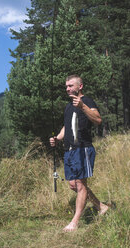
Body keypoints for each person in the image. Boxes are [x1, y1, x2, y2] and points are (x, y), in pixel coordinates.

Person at [50, 74, 109, 232]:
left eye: (71, 86)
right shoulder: (68, 106)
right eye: (66, 86)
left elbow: (98, 120)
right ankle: (101, 207)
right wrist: (58, 138)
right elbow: (67, 126)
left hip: (83, 148)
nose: (67, 89)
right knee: (73, 185)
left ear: (80, 86)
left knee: (81, 185)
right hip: (69, 151)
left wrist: (83, 106)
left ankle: (75, 222)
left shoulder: (87, 101)